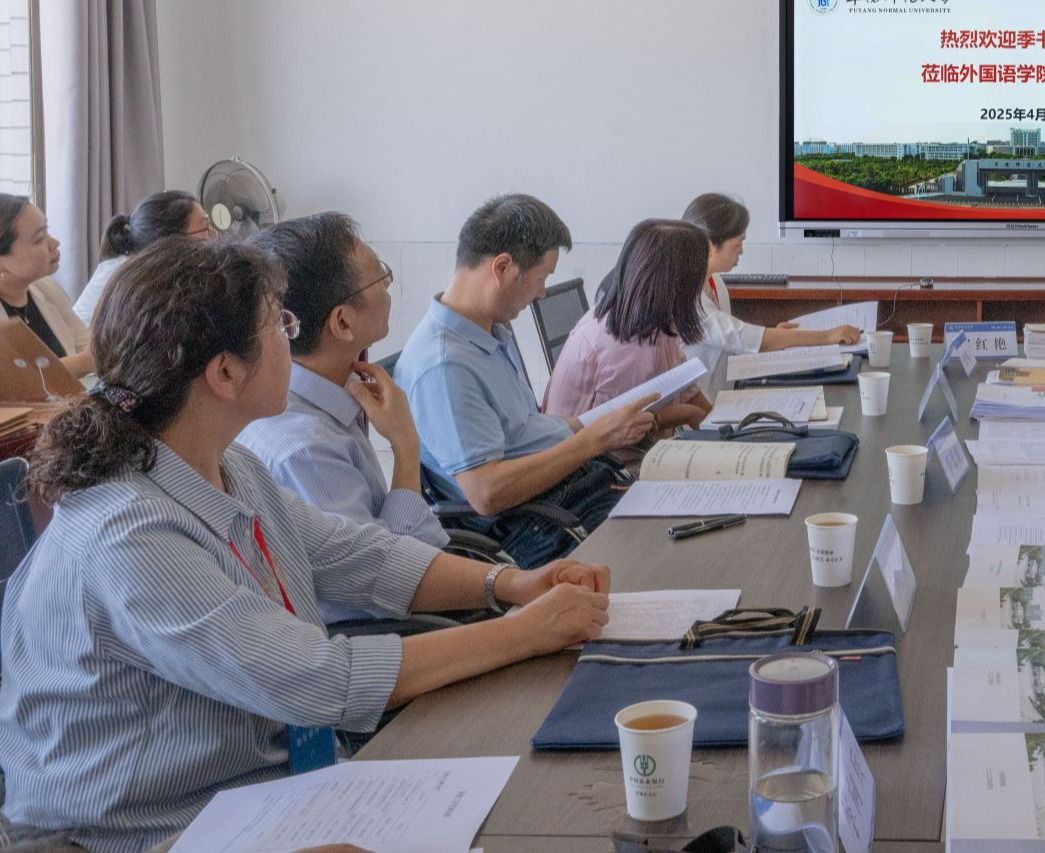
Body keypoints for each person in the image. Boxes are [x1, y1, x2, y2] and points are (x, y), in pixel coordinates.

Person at [0, 237, 612, 853]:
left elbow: (358, 555)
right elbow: (319, 680)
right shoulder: (130, 535)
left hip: (264, 790)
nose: (290, 340)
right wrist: (524, 632)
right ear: (225, 373)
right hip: (147, 833)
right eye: (278, 325)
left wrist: (509, 584)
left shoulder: (229, 466)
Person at [396, 194, 659, 566]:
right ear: (503, 267)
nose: (541, 293)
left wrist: (602, 424)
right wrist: (593, 440)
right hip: (534, 523)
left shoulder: (489, 332)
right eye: (541, 278)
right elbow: (487, 492)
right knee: (669, 549)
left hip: (568, 490)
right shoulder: (445, 366)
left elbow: (524, 430)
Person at [238, 213, 452, 621]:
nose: (388, 286)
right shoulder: (305, 449)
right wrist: (406, 449)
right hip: (383, 629)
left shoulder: (328, 392)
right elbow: (385, 588)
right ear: (342, 321)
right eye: (380, 276)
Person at [542, 218, 712, 456]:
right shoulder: (625, 348)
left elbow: (684, 385)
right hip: (601, 465)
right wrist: (688, 414)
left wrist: (718, 423)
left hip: (628, 452)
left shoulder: (652, 322)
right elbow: (623, 432)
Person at [681, 193, 863, 372]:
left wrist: (776, 335)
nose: (741, 251)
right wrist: (827, 337)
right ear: (710, 245)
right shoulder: (687, 298)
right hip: (703, 392)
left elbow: (731, 343)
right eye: (737, 244)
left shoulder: (715, 282)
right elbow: (740, 336)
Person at [73, 189, 218, 324]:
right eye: (205, 227)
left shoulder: (147, 269)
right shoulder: (130, 282)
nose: (215, 234)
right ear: (168, 242)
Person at [0, 194, 93, 378]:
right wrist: (85, 362)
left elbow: (88, 343)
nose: (54, 243)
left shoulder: (44, 288)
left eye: (47, 231)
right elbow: (15, 383)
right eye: (39, 239)